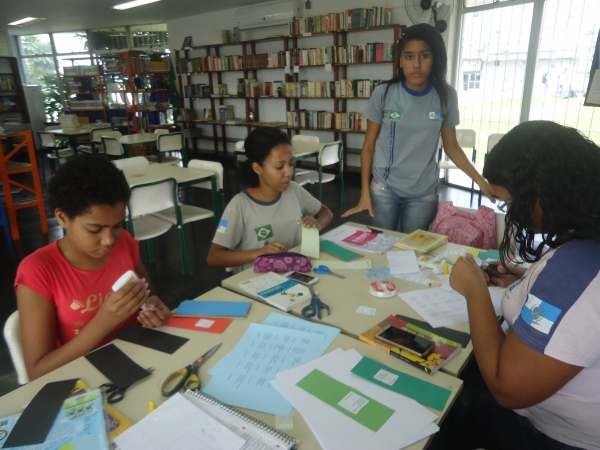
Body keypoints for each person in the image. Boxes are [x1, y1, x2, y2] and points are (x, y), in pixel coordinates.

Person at [449, 120, 600, 449]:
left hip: (556, 436)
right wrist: (527, 276)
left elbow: (506, 387)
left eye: (510, 203)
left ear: (542, 192)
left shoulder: (579, 269)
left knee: (448, 400)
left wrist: (475, 289)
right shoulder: (586, 241)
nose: (511, 214)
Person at [15, 155, 170, 380]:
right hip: (85, 378)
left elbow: (149, 296)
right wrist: (104, 322)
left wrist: (152, 307)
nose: (109, 240)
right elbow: (38, 371)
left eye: (117, 225)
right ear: (62, 217)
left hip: (141, 359)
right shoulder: (38, 271)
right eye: (95, 230)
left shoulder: (124, 242)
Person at [342, 23, 494, 233]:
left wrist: (480, 180)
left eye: (424, 56)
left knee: (413, 251)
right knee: (381, 246)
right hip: (385, 188)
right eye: (408, 56)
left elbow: (452, 147)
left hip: (424, 193)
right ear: (400, 60)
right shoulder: (384, 93)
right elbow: (368, 147)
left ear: (435, 58)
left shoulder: (446, 96)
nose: (416, 65)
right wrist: (364, 192)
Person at [207, 127, 333, 271]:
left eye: (291, 164)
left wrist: (317, 224)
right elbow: (214, 257)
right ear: (257, 168)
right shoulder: (240, 205)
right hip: (259, 282)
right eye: (280, 167)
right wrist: (258, 253)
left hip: (297, 271)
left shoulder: (294, 190)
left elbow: (326, 212)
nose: (289, 172)